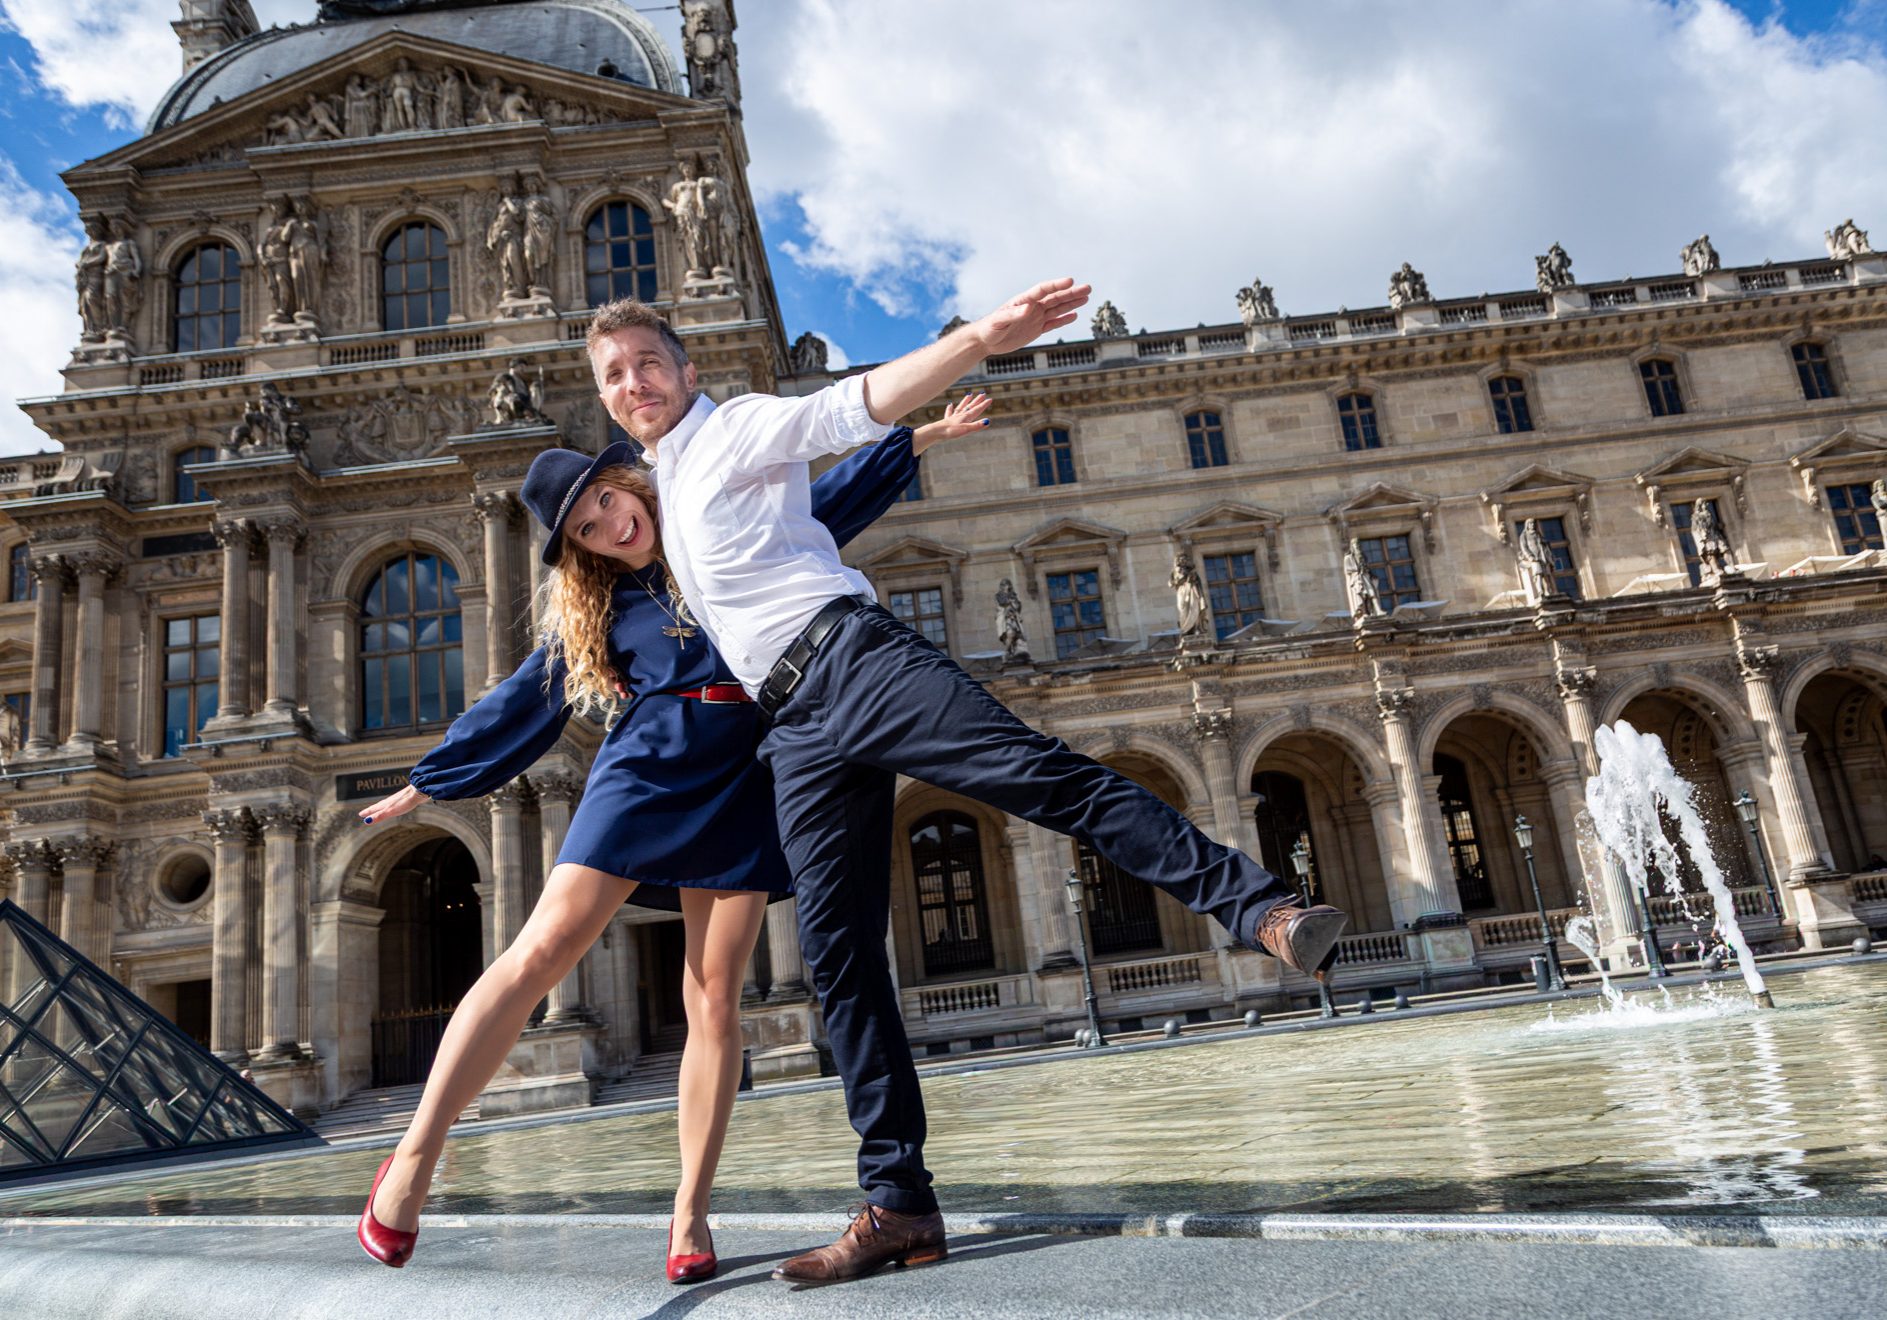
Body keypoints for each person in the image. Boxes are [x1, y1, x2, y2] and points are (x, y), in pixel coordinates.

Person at [587, 282, 1350, 1285]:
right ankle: (898, 1207)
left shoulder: (734, 430)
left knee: (1048, 781)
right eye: (615, 375)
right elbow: (816, 512)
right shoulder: (668, 488)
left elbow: (848, 405)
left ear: (686, 371)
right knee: (840, 952)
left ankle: (1263, 913)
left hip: (855, 660)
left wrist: (978, 340)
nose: (634, 383)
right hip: (795, 723)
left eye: (648, 362)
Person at [352, 396, 989, 1279]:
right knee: (542, 948)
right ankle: (415, 1158)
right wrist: (435, 778)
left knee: (714, 996)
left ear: (628, 482)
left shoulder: (715, 526)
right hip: (648, 763)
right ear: (575, 546)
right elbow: (528, 698)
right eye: (586, 528)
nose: (611, 527)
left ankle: (690, 1212)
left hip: (746, 769)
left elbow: (826, 502)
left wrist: (915, 439)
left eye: (608, 503)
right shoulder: (599, 608)